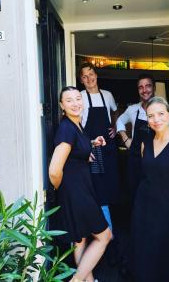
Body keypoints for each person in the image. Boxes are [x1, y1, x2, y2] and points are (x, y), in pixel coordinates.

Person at [49, 86, 112, 282]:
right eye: (69, 100)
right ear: (62, 105)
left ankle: (88, 280)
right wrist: (62, 189)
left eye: (78, 98)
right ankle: (77, 280)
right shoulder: (67, 128)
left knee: (80, 239)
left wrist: (91, 145)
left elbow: (75, 152)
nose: (75, 103)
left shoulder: (76, 125)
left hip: (79, 190)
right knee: (105, 236)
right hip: (76, 192)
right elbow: (54, 170)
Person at [130, 96, 169, 282]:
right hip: (143, 206)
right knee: (142, 252)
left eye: (160, 114)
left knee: (162, 254)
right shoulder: (145, 144)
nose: (156, 119)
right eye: (151, 116)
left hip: (167, 208)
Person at [79, 62, 120, 228]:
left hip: (108, 147)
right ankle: (102, 228)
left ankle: (107, 225)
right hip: (92, 148)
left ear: (96, 75)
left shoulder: (107, 95)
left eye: (91, 74)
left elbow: (115, 111)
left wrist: (115, 126)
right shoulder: (80, 96)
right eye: (85, 76)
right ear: (81, 80)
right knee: (96, 187)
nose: (89, 79)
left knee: (110, 184)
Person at [116, 73, 155, 198]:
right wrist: (126, 139)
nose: (145, 90)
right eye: (141, 87)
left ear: (153, 88)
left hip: (154, 160)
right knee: (134, 194)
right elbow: (119, 121)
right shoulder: (133, 109)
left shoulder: (161, 109)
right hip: (135, 160)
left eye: (148, 86)